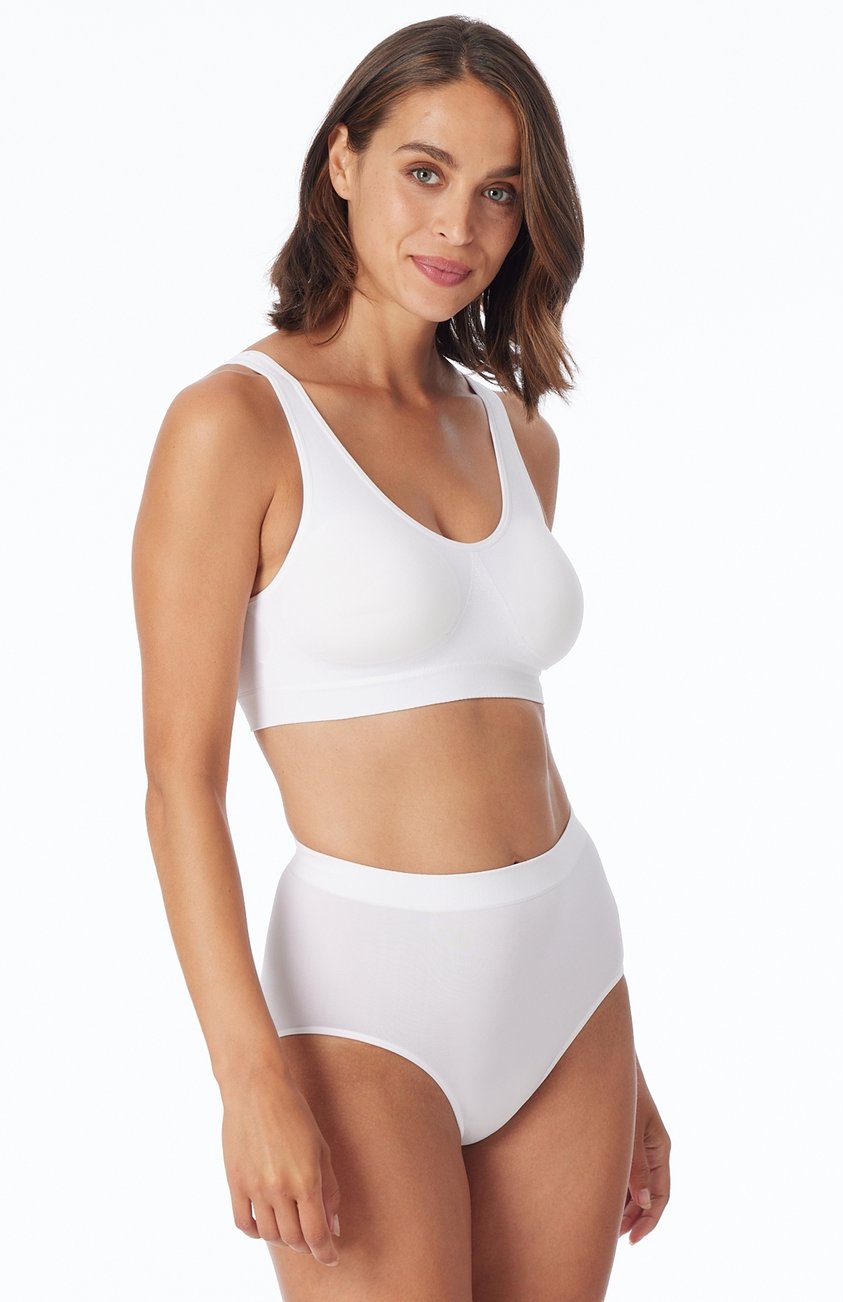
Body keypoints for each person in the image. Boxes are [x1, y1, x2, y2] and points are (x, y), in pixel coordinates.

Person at [132, 14, 671, 1301]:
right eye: (424, 172)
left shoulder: (518, 436)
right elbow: (178, 787)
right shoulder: (234, 424)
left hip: (571, 978)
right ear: (343, 162)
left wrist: (631, 1064)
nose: (459, 228)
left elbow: (514, 735)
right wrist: (248, 1078)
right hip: (364, 996)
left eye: (500, 193)